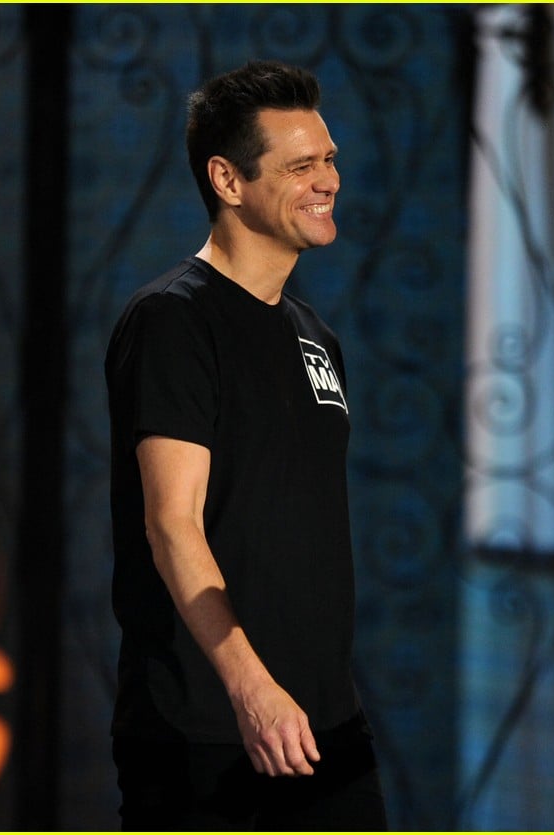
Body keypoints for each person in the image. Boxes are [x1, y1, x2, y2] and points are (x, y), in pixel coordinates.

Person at [105, 60, 387, 830]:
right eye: (301, 165)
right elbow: (172, 525)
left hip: (325, 726)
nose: (328, 179)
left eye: (328, 158)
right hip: (208, 735)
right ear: (228, 180)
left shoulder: (314, 336)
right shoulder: (172, 322)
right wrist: (250, 687)